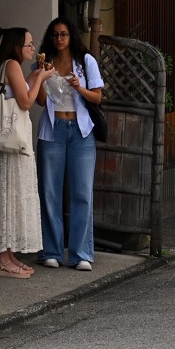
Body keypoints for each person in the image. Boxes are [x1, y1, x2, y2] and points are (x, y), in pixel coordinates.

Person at [0, 28, 54, 279]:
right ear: (16, 46)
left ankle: (8, 254)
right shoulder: (11, 64)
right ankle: (2, 259)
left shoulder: (9, 65)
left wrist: (36, 76)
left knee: (11, 195)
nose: (33, 48)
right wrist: (41, 79)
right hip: (14, 143)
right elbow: (26, 102)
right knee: (10, 195)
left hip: (13, 141)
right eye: (29, 44)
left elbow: (21, 96)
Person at [35, 17, 104, 271]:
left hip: (81, 131)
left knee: (81, 193)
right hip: (53, 131)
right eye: (54, 35)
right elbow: (41, 101)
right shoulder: (46, 62)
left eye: (63, 34)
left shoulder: (86, 62)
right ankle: (51, 251)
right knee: (50, 192)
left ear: (71, 36)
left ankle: (81, 253)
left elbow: (97, 97)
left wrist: (79, 87)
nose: (59, 39)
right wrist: (40, 74)